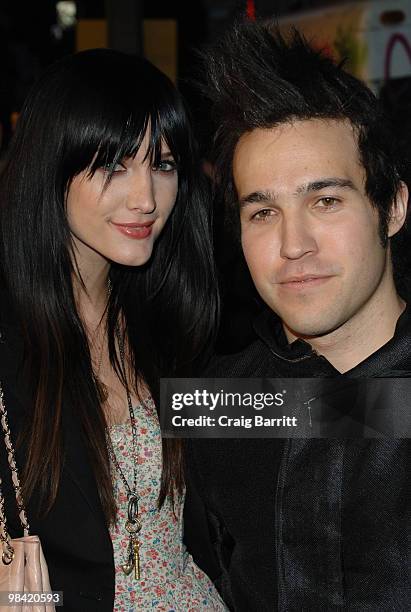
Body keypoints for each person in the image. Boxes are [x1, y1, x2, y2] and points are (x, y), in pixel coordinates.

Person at [184, 20, 410, 611]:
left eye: (326, 201)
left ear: (393, 207)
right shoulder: (217, 404)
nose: (293, 244)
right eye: (262, 212)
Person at [0, 48, 227, 611]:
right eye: (113, 165)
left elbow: (275, 413)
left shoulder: (171, 323)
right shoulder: (11, 340)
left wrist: (383, 395)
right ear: (51, 165)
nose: (146, 197)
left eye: (164, 163)